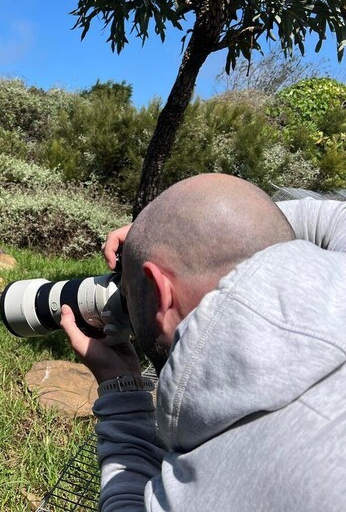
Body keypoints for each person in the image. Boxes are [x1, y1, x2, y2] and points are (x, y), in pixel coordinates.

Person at [59, 173, 346, 511]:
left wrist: (122, 392)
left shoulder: (214, 489)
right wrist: (191, 232)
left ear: (161, 293)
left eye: (128, 294)